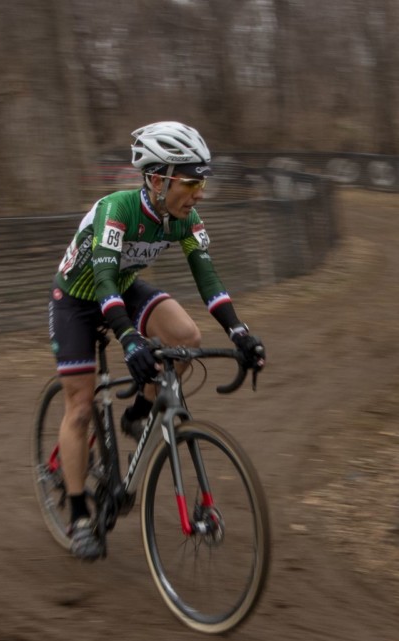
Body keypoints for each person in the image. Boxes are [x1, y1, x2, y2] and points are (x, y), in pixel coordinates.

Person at [48, 121, 265, 561]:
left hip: (122, 288)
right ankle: (79, 514)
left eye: (202, 181)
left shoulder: (185, 218)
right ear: (156, 178)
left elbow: (208, 277)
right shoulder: (117, 210)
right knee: (82, 406)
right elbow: (103, 277)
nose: (199, 193)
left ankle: (140, 411)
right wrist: (129, 337)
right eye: (190, 182)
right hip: (78, 299)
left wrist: (239, 331)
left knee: (185, 338)